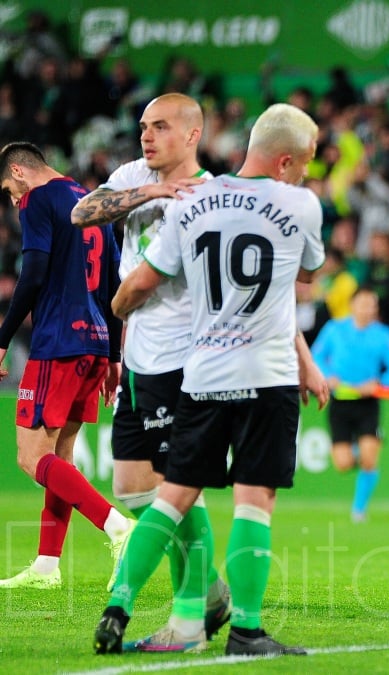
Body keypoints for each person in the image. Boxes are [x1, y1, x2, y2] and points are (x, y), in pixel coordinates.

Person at [94, 103, 328, 657]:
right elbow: (308, 271)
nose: (306, 174)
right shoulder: (300, 203)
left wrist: (119, 311)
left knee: (171, 495)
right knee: (253, 501)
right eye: (307, 163)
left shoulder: (193, 202)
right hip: (265, 373)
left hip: (200, 373)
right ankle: (245, 630)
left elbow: (142, 282)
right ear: (288, 160)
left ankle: (118, 607)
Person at [70, 92, 231, 652]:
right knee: (131, 488)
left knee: (180, 490)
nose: (146, 136)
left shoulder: (212, 195)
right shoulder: (135, 174)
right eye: (143, 126)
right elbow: (81, 213)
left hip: (186, 364)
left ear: (191, 135)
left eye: (160, 127)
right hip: (137, 359)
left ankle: (188, 619)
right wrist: (154, 190)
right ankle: (211, 590)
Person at [0, 142, 134, 590]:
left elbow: (33, 273)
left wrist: (2, 340)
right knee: (60, 457)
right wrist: (114, 355)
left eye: (8, 190)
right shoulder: (92, 200)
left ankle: (117, 525)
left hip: (57, 341)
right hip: (95, 342)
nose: (13, 201)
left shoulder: (39, 199)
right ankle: (46, 565)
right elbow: (113, 285)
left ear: (19, 172)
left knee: (29, 457)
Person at [311, 286, 389, 522]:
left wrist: (379, 383)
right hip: (340, 402)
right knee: (343, 464)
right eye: (363, 303)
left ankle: (359, 510)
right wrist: (327, 375)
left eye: (372, 305)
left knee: (369, 459)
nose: (367, 309)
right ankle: (360, 448)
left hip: (368, 403)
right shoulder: (334, 329)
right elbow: (316, 356)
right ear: (353, 305)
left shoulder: (383, 334)